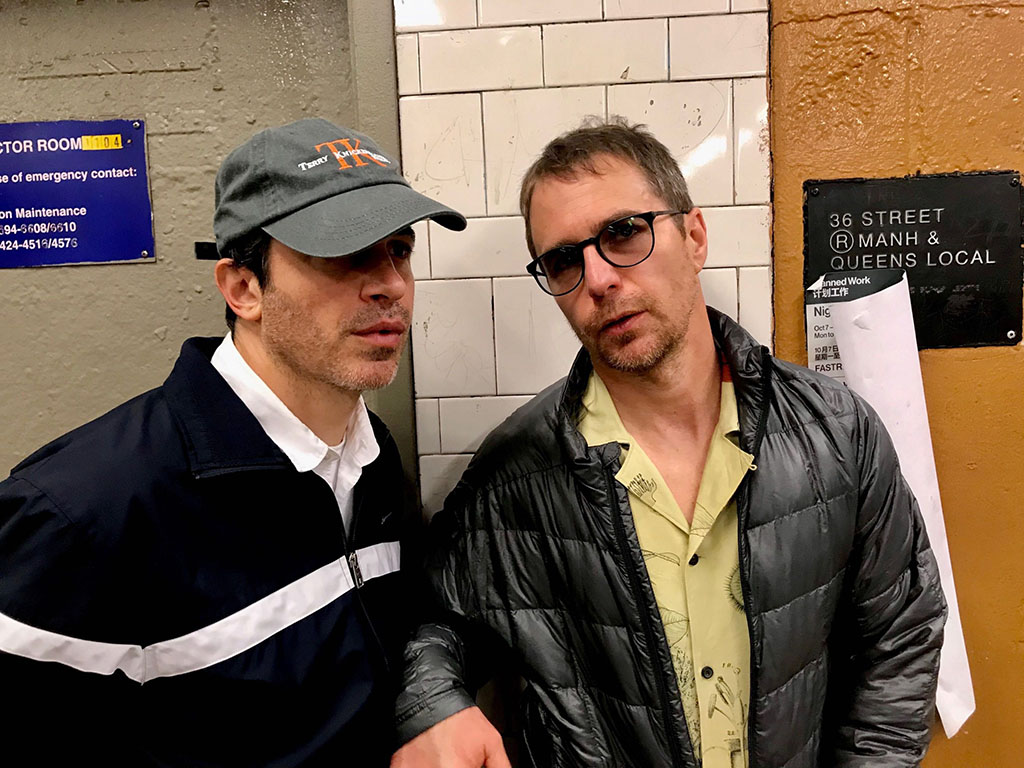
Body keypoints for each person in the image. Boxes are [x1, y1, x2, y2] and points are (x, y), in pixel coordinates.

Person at [391, 118, 946, 768]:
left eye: (623, 232)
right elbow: (435, 618)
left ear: (695, 236)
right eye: (564, 259)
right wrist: (434, 705)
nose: (597, 279)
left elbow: (900, 633)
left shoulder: (836, 433)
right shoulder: (516, 475)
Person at [0, 117, 465, 766]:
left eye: (398, 249)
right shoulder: (80, 518)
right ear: (243, 287)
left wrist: (433, 708)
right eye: (344, 252)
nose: (390, 284)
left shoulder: (371, 457)